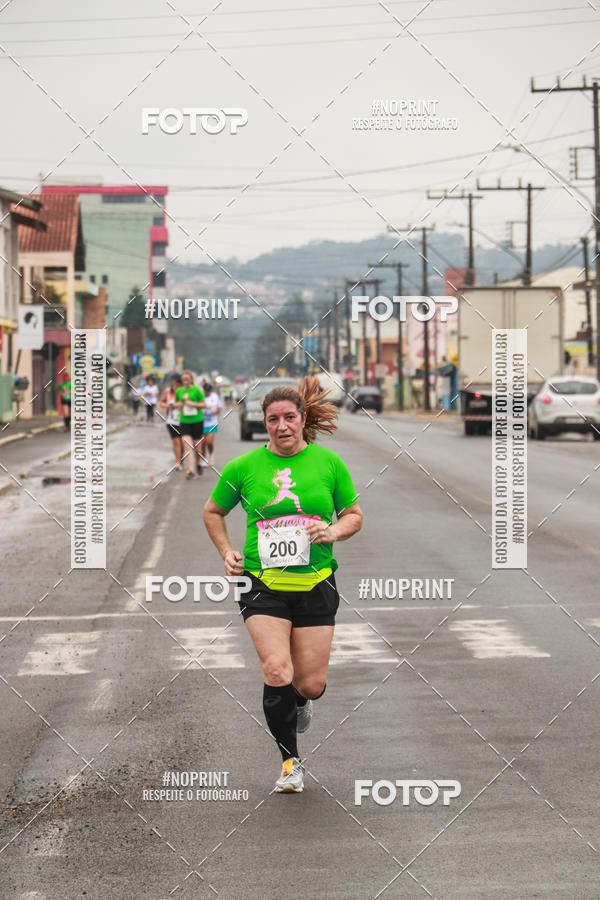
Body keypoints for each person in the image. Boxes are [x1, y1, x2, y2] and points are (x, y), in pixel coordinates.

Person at [204, 376, 363, 793]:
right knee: (276, 669)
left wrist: (332, 532)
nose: (281, 426)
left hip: (316, 582)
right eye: (273, 419)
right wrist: (226, 551)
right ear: (265, 423)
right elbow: (213, 511)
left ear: (302, 418)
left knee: (309, 682)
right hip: (262, 584)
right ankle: (290, 764)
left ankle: (301, 701)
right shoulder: (244, 467)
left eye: (289, 417)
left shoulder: (328, 464)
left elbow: (354, 514)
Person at [175, 371, 205, 478]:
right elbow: (177, 403)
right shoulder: (179, 391)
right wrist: (179, 404)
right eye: (183, 379)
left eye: (187, 379)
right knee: (187, 446)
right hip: (185, 421)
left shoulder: (196, 390)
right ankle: (190, 470)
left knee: (198, 448)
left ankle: (198, 463)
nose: (185, 381)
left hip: (197, 421)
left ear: (191, 380)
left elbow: (204, 404)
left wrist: (193, 404)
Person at [160, 374, 183, 470]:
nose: (174, 383)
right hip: (171, 420)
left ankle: (181, 457)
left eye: (176, 382)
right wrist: (168, 406)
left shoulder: (184, 392)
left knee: (182, 442)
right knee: (175, 442)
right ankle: (177, 462)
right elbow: (161, 402)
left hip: (184, 420)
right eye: (173, 381)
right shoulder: (168, 391)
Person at [200, 383, 222, 467]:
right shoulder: (200, 396)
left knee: (209, 442)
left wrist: (216, 412)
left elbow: (219, 407)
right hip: (201, 423)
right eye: (206, 391)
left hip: (212, 423)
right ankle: (204, 459)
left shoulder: (215, 396)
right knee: (202, 443)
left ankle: (211, 454)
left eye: (209, 391)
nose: (207, 392)